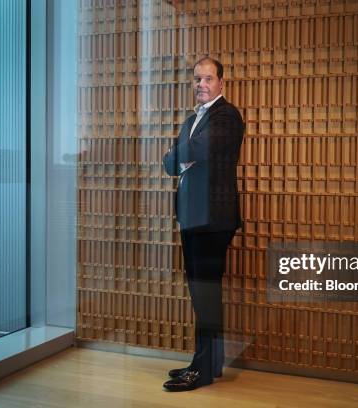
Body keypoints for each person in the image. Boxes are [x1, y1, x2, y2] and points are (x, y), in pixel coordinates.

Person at [162, 57, 244, 391]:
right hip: (193, 216)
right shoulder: (192, 119)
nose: (201, 84)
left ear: (221, 82)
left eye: (208, 79)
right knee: (200, 292)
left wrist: (180, 152)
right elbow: (171, 162)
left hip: (212, 218)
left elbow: (201, 147)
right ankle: (209, 362)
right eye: (197, 79)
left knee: (205, 293)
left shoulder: (226, 114)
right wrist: (179, 154)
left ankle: (203, 370)